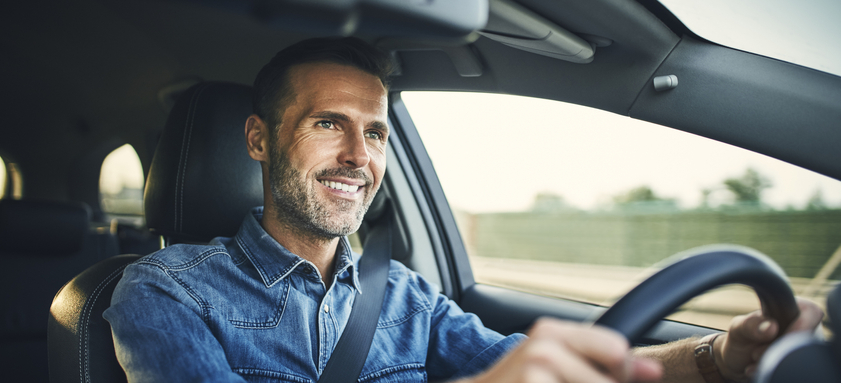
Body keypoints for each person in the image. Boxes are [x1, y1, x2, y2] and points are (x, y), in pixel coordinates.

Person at [104, 37, 823, 383]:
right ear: (260, 139)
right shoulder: (165, 290)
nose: (360, 154)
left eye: (376, 131)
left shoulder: (407, 296)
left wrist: (715, 357)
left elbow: (554, 368)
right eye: (329, 124)